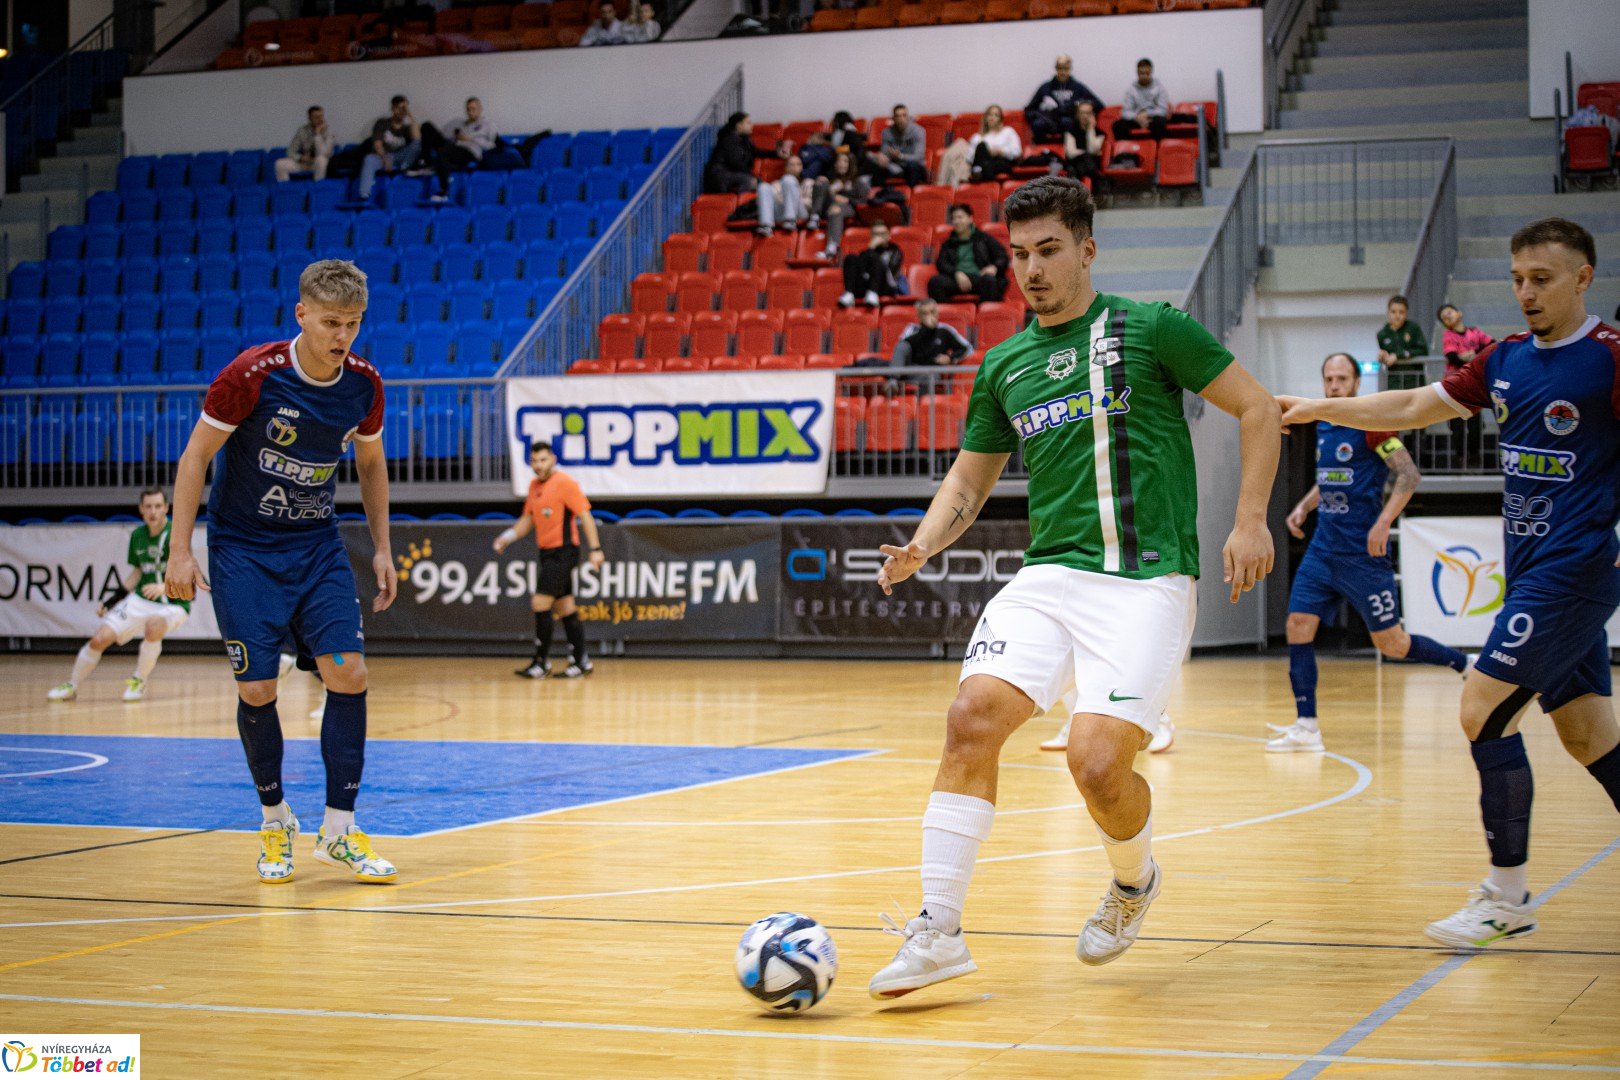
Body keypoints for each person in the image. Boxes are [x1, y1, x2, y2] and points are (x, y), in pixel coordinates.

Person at [868, 176, 1279, 997]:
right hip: (1049, 576)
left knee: (1095, 766)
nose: (1032, 269)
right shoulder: (1004, 364)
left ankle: (1134, 883)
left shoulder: (1150, 328)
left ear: (1086, 248)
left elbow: (1260, 409)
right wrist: (922, 543)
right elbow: (970, 482)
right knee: (970, 717)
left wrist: (1250, 520)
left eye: (1049, 250)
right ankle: (938, 930)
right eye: (1019, 255)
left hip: (1145, 581)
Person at [1277, 217, 1620, 949]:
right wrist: (1318, 407)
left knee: (1479, 709)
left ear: (1584, 277)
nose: (1526, 292)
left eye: (1543, 278)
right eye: (1518, 278)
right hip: (1531, 569)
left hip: (1575, 572)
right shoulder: (1503, 360)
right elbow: (1409, 407)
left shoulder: (1611, 361)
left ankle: (1507, 896)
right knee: (1590, 737)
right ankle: (1509, 896)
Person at [165, 258, 399, 887]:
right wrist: (179, 549)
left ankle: (339, 832)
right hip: (244, 549)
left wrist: (381, 546)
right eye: (330, 322)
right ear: (302, 315)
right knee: (258, 691)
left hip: (317, 546)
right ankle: (274, 820)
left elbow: (371, 466)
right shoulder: (251, 376)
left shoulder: (364, 385)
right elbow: (194, 458)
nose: (341, 335)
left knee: (348, 673)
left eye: (352, 323)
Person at [1268, 352, 1469, 753]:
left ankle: (1465, 665)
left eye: (1342, 378)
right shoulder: (1323, 422)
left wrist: (1384, 523)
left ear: (1357, 384)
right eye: (1329, 379)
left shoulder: (1373, 426)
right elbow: (1331, 479)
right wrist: (1304, 506)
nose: (1334, 386)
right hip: (1324, 549)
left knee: (1392, 643)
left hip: (1362, 555)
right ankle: (1307, 726)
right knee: (1298, 625)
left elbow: (1409, 475)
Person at [47, 487, 191, 704]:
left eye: (158, 506)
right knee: (99, 639)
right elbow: (136, 573)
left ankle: (138, 680)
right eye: (148, 506)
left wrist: (164, 587)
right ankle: (72, 684)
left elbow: (189, 572)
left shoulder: (175, 535)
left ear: (166, 508)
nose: (153, 511)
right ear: (141, 509)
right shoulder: (138, 535)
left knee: (153, 626)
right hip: (141, 600)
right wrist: (111, 600)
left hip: (173, 602)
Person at [497, 443, 607, 678]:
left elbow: (585, 516)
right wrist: (507, 537)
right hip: (547, 553)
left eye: (543, 460)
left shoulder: (565, 483)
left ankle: (541, 663)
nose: (539, 465)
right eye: (535, 461)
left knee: (540, 603)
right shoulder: (534, 486)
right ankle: (581, 661)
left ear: (553, 459)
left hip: (564, 552)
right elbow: (528, 520)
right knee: (565, 606)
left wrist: (595, 549)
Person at [419, 96, 499, 198]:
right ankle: (427, 163)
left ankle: (444, 191)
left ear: (480, 109)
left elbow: (492, 145)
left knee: (444, 151)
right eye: (468, 109)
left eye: (473, 109)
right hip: (454, 147)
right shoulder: (462, 124)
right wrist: (456, 138)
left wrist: (469, 139)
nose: (470, 112)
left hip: (470, 151)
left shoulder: (488, 124)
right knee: (427, 126)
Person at [927, 204, 1008, 303]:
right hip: (957, 279)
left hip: (979, 277)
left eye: (960, 217)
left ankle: (985, 316)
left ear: (970, 219)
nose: (956, 221)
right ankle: (948, 315)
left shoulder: (984, 238)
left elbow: (1002, 256)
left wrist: (994, 267)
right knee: (935, 282)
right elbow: (941, 263)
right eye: (953, 218)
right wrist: (956, 273)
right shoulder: (948, 243)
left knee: (989, 281)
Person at [1026, 55, 1104, 145]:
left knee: (1067, 122)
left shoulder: (1078, 87)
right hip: (1048, 121)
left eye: (1066, 69)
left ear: (1070, 69)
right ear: (1056, 69)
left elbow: (1098, 104)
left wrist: (1078, 104)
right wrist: (1042, 112)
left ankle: (1067, 152)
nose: (1063, 72)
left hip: (1069, 122)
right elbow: (1029, 110)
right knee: (1038, 124)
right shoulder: (1046, 87)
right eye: (1060, 68)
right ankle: (1042, 150)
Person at [357, 94, 422, 201]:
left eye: (404, 108)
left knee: (417, 144)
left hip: (401, 157)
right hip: (384, 156)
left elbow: (417, 139)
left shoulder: (407, 127)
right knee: (369, 159)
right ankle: (364, 194)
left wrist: (409, 113)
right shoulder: (382, 123)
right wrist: (385, 158)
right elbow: (377, 145)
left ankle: (403, 168)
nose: (402, 111)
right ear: (393, 108)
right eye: (399, 108)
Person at [809, 148, 870, 257]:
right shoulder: (831, 179)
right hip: (827, 206)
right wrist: (832, 190)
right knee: (821, 181)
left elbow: (864, 201)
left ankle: (832, 247)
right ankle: (815, 216)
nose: (841, 164)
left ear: (850, 164)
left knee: (836, 209)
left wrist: (848, 200)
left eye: (845, 161)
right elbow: (822, 195)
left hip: (848, 207)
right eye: (839, 161)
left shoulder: (857, 181)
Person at [702, 112, 782, 195]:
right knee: (753, 182)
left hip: (731, 174)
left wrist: (777, 154)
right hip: (719, 176)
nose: (751, 125)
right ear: (739, 125)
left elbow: (756, 152)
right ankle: (741, 202)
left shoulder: (744, 139)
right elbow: (735, 163)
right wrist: (753, 175)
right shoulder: (729, 140)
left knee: (757, 182)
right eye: (748, 123)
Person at [841, 219, 905, 308]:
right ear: (871, 236)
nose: (879, 237)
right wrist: (871, 248)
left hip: (886, 285)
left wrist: (872, 253)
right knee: (851, 258)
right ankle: (849, 293)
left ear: (888, 235)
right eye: (876, 234)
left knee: (876, 258)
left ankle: (873, 292)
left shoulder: (895, 250)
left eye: (882, 234)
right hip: (866, 284)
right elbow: (861, 270)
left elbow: (890, 269)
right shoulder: (867, 251)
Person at [890, 298, 970, 366]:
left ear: (937, 314)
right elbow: (901, 349)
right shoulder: (912, 329)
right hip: (911, 369)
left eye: (932, 312)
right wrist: (925, 329)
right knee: (902, 346)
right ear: (919, 317)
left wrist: (950, 357)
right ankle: (893, 380)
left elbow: (967, 348)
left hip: (931, 372)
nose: (930, 316)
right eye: (925, 314)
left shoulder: (944, 330)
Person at [273, 105, 335, 183]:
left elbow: (323, 153)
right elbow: (290, 151)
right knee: (279, 164)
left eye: (321, 116)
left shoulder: (328, 132)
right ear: (309, 118)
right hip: (304, 162)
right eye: (316, 117)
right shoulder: (302, 131)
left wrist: (317, 135)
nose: (319, 120)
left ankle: (318, 187)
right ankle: (285, 189)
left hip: (318, 163)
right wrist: (300, 158)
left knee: (321, 160)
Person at [1115, 58, 1172, 140]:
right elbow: (1125, 112)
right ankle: (1128, 150)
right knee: (1118, 126)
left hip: (1153, 118)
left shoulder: (1159, 88)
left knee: (1160, 122)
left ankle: (1156, 150)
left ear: (1151, 72)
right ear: (1137, 73)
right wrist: (1137, 118)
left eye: (1147, 73)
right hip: (1136, 119)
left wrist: (1147, 114)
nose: (1144, 76)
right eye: (1142, 73)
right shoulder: (1131, 89)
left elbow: (1163, 110)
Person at [872, 104, 928, 187]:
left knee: (913, 167)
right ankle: (882, 195)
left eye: (904, 115)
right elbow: (884, 152)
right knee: (875, 166)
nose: (901, 119)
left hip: (913, 166)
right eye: (898, 116)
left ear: (908, 117)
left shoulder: (918, 131)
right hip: (895, 166)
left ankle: (910, 197)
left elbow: (919, 156)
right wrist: (882, 157)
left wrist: (901, 156)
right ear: (893, 119)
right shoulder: (887, 132)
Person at [755, 152, 807, 237]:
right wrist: (787, 199)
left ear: (802, 167)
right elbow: (770, 202)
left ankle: (790, 220)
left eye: (798, 164)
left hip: (800, 213)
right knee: (763, 186)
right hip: (782, 213)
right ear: (786, 168)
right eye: (792, 164)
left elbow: (810, 203)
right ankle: (766, 225)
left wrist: (794, 198)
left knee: (789, 180)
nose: (795, 167)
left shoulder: (807, 183)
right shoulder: (776, 184)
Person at [1063, 101, 1109, 194]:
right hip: (1075, 162)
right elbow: (1071, 153)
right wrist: (1086, 153)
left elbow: (1093, 149)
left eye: (1088, 113)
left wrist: (1090, 129)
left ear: (1093, 115)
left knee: (1082, 165)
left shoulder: (1100, 133)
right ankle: (1099, 181)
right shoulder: (1071, 131)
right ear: (1077, 115)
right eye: (1081, 113)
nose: (1084, 116)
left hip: (1090, 164)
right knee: (1085, 159)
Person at [968, 105, 1022, 182]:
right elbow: (970, 158)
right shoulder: (977, 137)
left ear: (1000, 119)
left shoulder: (1008, 132)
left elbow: (1017, 152)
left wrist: (1000, 152)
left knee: (987, 165)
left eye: (996, 115)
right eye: (990, 114)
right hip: (982, 163)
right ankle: (980, 172)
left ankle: (979, 173)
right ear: (986, 118)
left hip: (1002, 161)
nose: (992, 117)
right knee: (981, 146)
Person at [1376, 294, 1429, 367]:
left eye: (1401, 312)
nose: (1397, 316)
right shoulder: (1382, 334)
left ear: (1406, 313)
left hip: (1414, 376)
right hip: (1394, 377)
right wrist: (1383, 356)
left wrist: (1399, 355)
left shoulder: (1413, 328)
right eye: (1393, 312)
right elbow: (1387, 358)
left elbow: (1423, 351)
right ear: (1388, 313)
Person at [1438, 303, 1495, 368]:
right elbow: (1452, 357)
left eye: (1449, 313)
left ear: (1459, 313)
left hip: (1478, 372)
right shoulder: (1448, 336)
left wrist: (1474, 352)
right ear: (1445, 324)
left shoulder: (1474, 331)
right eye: (1444, 318)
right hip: (1461, 374)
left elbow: (1493, 344)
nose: (1447, 317)